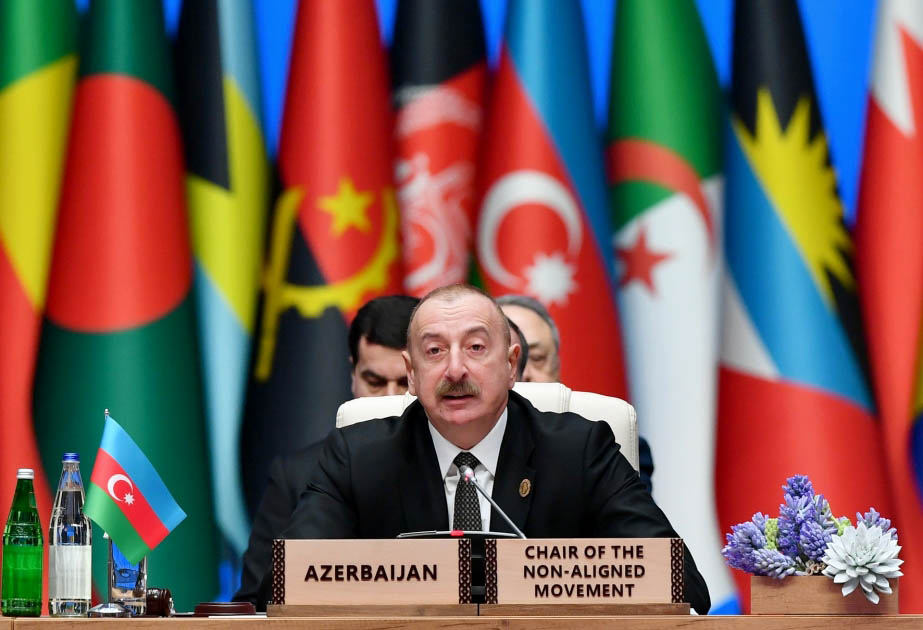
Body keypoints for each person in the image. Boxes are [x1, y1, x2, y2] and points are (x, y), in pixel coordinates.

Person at [283, 284, 710, 613]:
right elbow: (286, 585)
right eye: (434, 351)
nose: (455, 370)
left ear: (510, 364)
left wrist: (540, 575)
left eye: (475, 347)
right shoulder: (358, 456)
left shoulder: (579, 450)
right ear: (411, 374)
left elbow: (682, 585)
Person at [234, 295, 419, 606]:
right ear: (353, 375)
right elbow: (254, 604)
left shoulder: (456, 464)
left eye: (405, 383)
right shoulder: (296, 474)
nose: (391, 397)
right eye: (375, 381)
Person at [497, 294, 656, 493]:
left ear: (558, 368)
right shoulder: (466, 444)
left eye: (536, 358)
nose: (524, 373)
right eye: (509, 360)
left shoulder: (611, 445)